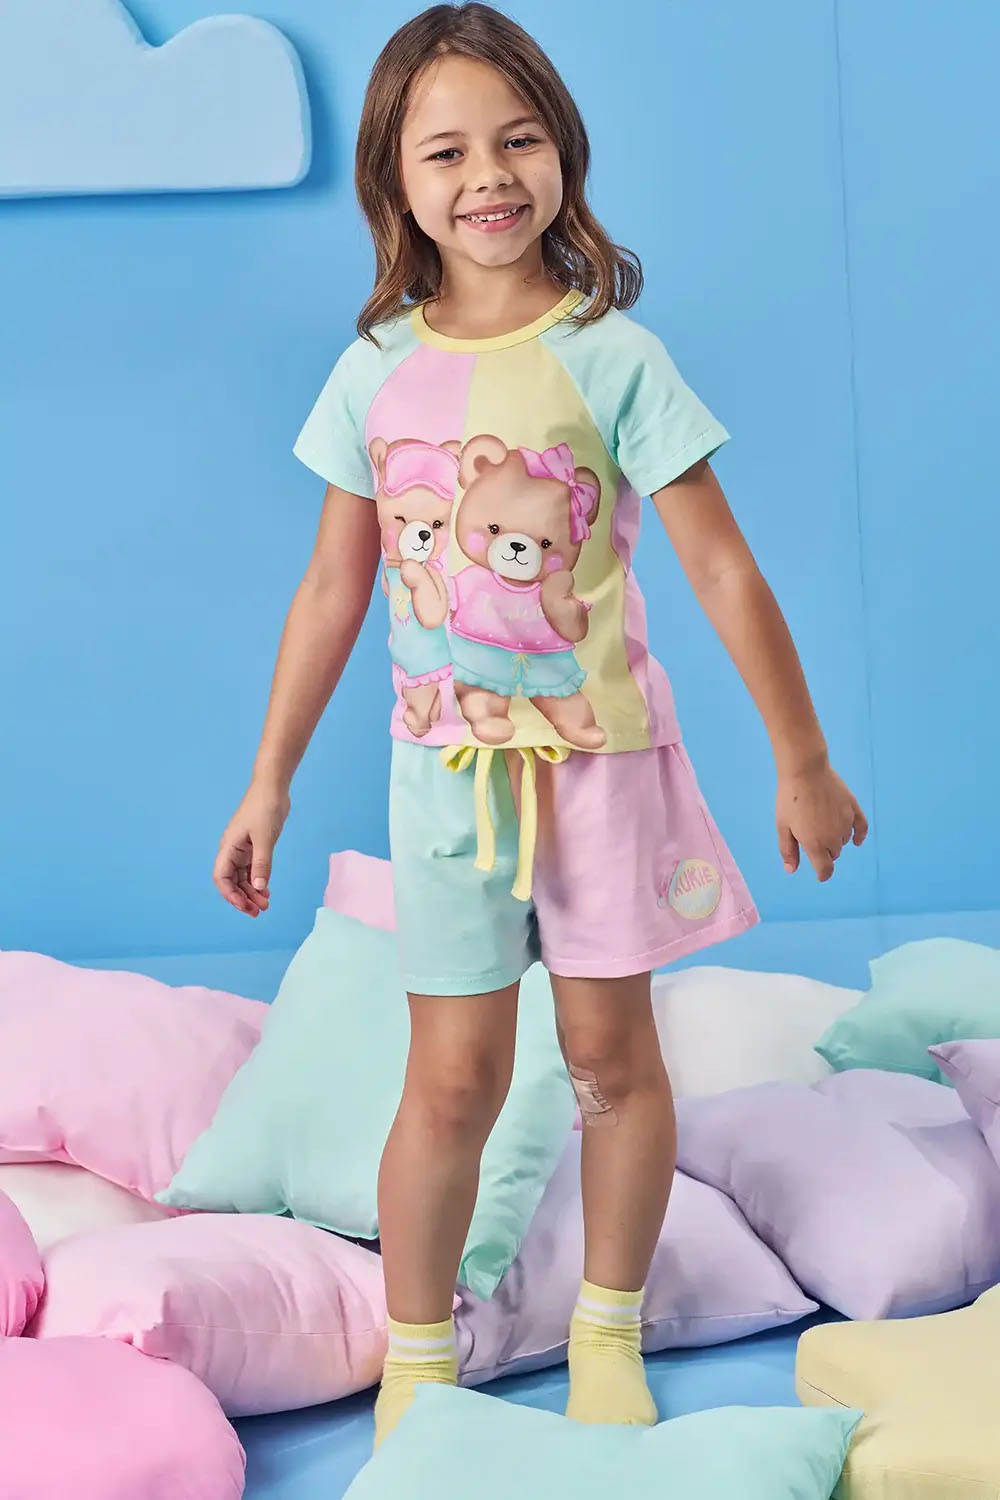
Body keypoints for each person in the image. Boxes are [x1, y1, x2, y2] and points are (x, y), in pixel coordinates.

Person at [213, 1, 869, 1450]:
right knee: (450, 1079)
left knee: (609, 1061)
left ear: (563, 152)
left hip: (602, 770)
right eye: (445, 152)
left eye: (517, 140)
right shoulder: (373, 371)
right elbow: (332, 590)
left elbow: (721, 566)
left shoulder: (613, 355)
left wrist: (804, 757)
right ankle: (419, 1355)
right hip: (446, 777)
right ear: (395, 185)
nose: (487, 176)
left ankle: (608, 1330)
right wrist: (268, 781)